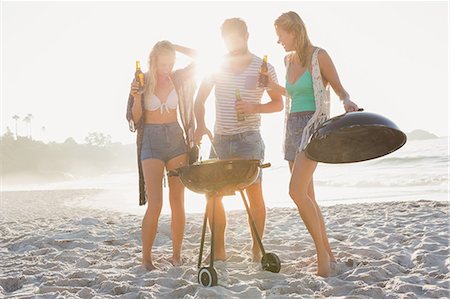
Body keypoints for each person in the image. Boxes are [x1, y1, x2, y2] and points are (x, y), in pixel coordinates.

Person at [264, 11, 359, 277]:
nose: (278, 41)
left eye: (280, 35)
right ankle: (328, 252)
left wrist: (346, 101)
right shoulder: (287, 60)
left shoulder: (319, 56)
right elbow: (293, 93)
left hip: (312, 127)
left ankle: (322, 257)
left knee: (295, 192)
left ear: (294, 31)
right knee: (309, 197)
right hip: (291, 128)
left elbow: (339, 88)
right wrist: (271, 85)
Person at [194, 18, 283, 262]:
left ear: (246, 36)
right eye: (227, 39)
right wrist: (200, 125)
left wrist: (253, 106)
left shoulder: (263, 67)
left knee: (255, 193)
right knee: (213, 195)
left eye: (235, 37)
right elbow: (199, 100)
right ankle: (219, 250)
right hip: (220, 139)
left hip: (249, 139)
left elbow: (278, 104)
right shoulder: (216, 66)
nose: (231, 43)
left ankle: (256, 249)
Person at [126, 41, 197, 270]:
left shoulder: (178, 78)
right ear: (153, 61)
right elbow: (136, 120)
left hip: (177, 140)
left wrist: (176, 45)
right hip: (151, 141)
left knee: (178, 201)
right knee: (155, 203)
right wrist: (136, 97)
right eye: (162, 63)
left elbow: (201, 57)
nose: (166, 67)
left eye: (170, 62)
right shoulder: (142, 81)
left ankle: (176, 255)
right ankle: (146, 259)